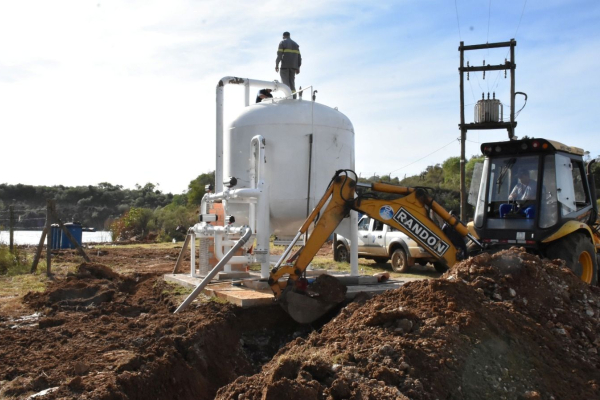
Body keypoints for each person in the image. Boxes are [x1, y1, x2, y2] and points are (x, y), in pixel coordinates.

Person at [275, 31, 301, 99]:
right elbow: (299, 57)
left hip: (285, 66)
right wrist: (298, 67)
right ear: (289, 36)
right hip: (293, 67)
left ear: (283, 36)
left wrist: (277, 65)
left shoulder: (282, 42)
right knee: (292, 83)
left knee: (285, 83)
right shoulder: (295, 44)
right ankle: (294, 97)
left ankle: (288, 97)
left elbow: (279, 55)